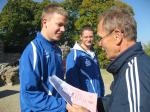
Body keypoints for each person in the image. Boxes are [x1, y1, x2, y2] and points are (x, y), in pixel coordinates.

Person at [67, 6, 150, 112]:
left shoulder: (135, 74)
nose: (99, 43)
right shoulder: (129, 66)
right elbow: (117, 100)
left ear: (117, 36)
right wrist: (94, 105)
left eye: (101, 38)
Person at [19, 4, 68, 111]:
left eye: (64, 25)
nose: (63, 29)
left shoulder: (57, 50)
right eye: (59, 24)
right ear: (45, 22)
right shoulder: (33, 51)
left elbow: (54, 83)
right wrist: (64, 105)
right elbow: (30, 94)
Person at [66, 25, 105, 98]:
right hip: (85, 101)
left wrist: (102, 92)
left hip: (98, 98)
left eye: (91, 37)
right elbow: (71, 81)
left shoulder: (93, 55)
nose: (89, 39)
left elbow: (98, 76)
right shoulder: (74, 55)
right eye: (86, 37)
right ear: (81, 37)